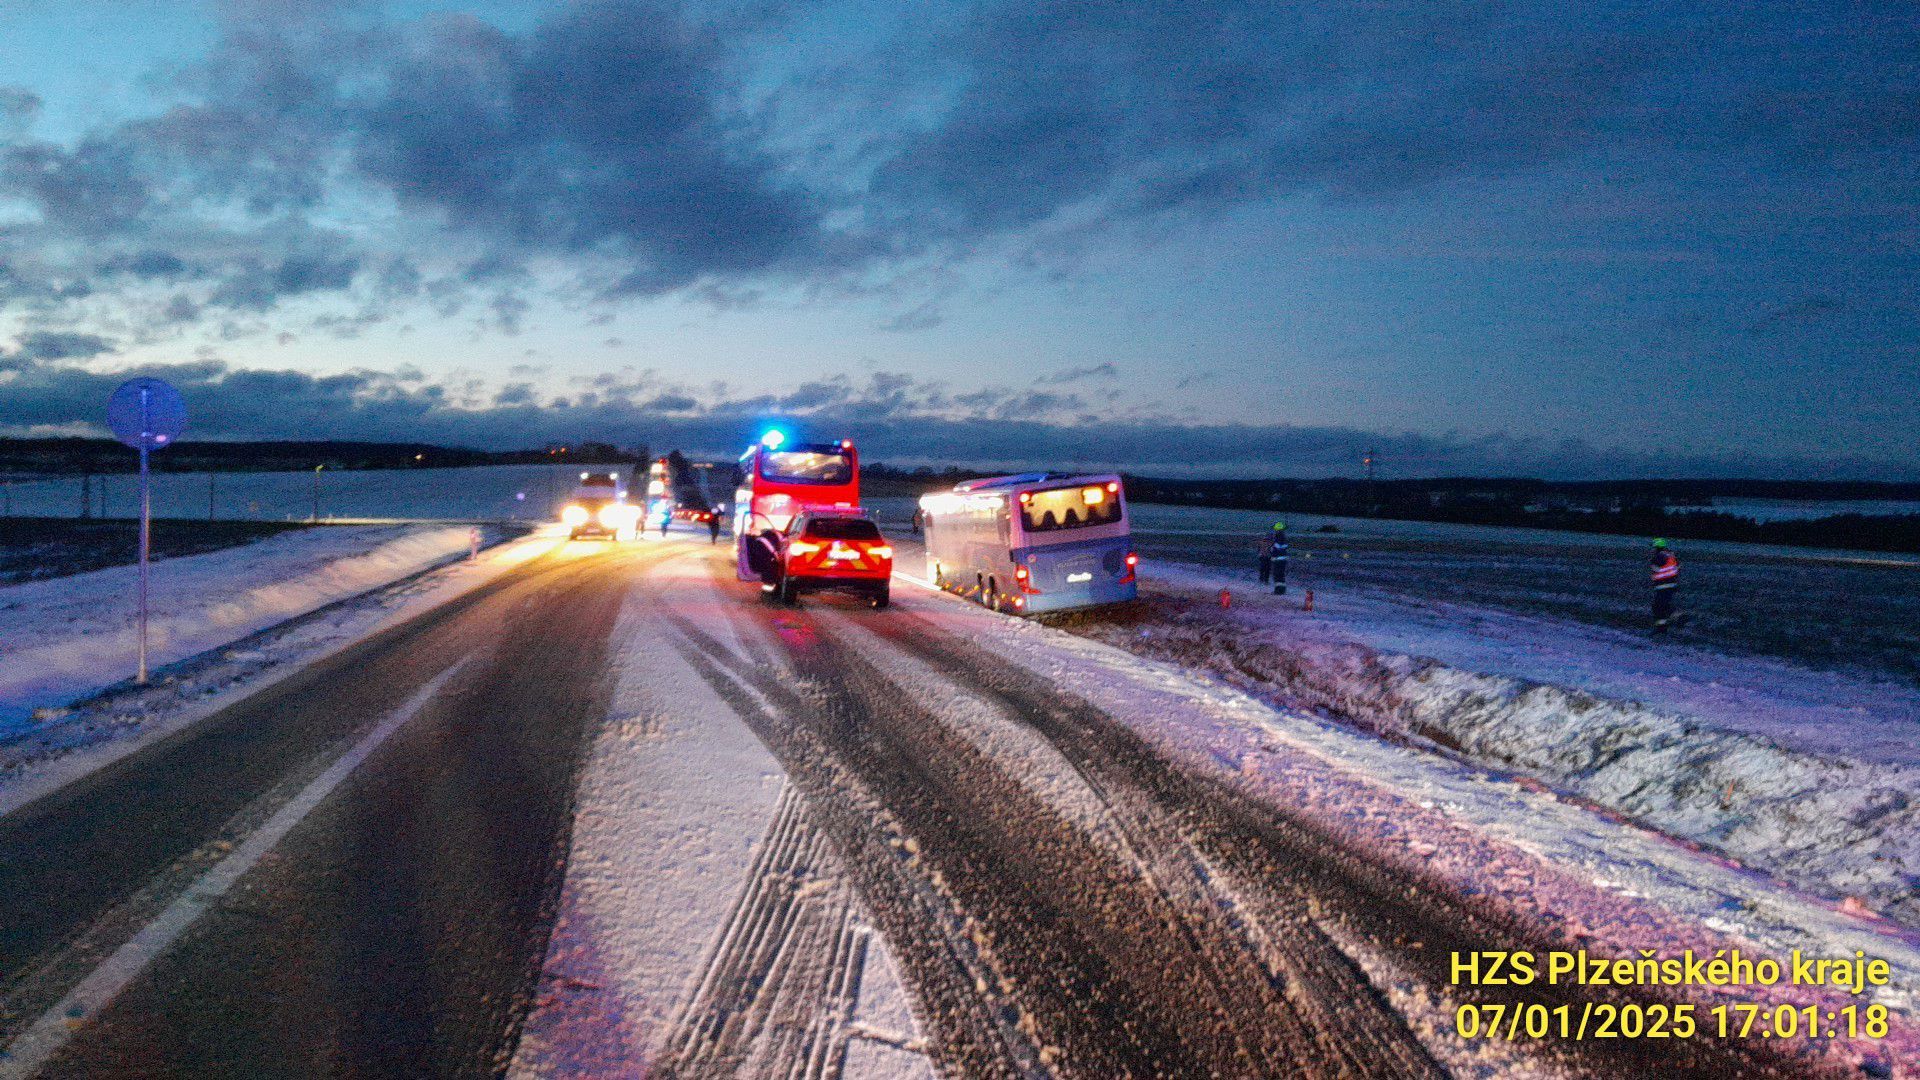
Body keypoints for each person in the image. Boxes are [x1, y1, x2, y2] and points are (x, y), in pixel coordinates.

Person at [1649, 537, 1681, 633]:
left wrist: (1653, 566)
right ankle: (1665, 624)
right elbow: (1678, 567)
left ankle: (1666, 624)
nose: (1652, 549)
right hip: (1671, 583)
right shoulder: (1671, 555)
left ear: (1657, 547)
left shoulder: (1659, 556)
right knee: (1662, 605)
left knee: (1658, 606)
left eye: (1653, 547)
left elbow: (1656, 569)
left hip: (1663, 585)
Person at [1258, 521, 1288, 594]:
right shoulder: (1282, 537)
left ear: (1278, 529)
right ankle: (1281, 590)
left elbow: (1278, 547)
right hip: (1281, 559)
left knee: (1278, 575)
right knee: (1280, 575)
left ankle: (1278, 591)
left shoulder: (1279, 537)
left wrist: (1272, 547)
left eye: (1275, 529)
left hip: (1278, 559)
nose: (1275, 531)